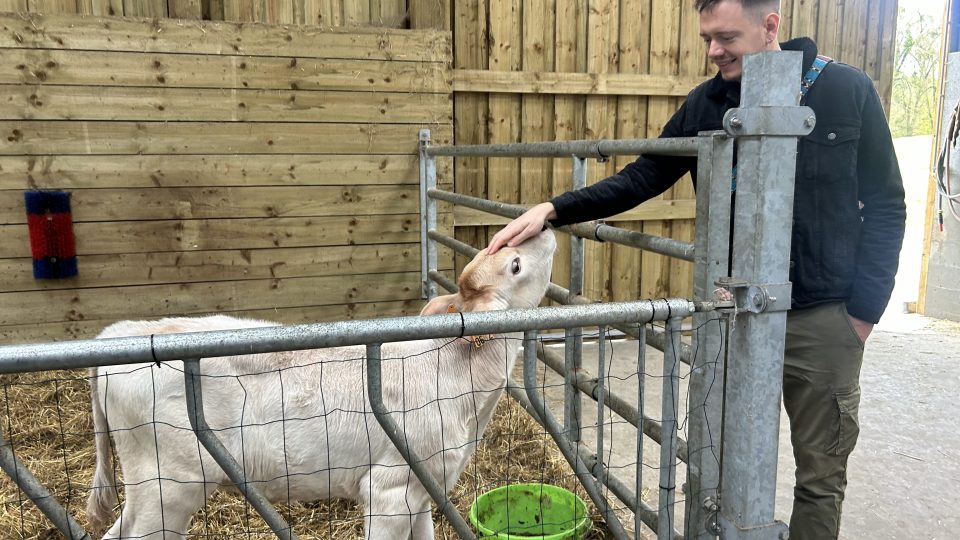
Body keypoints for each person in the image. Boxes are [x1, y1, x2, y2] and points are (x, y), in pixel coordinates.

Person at [485, 0, 906, 538]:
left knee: (821, 475)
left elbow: (886, 203)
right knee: (710, 465)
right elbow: (644, 175)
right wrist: (554, 209)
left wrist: (863, 313)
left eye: (725, 37)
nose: (713, 51)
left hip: (822, 317)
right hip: (730, 315)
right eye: (707, 37)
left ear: (770, 26)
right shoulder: (705, 103)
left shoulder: (846, 91)